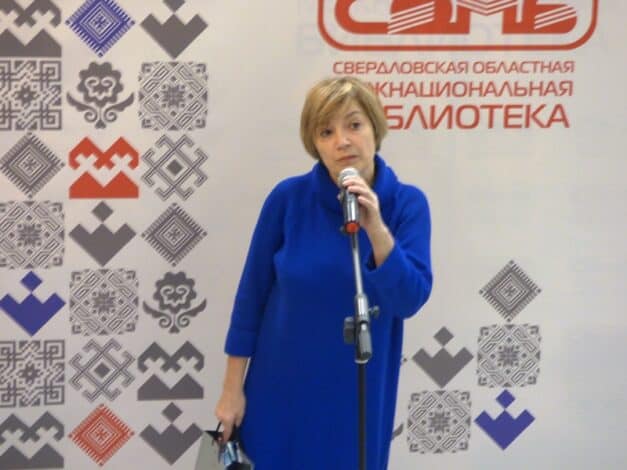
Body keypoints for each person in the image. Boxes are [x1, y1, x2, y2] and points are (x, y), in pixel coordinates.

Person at [214, 76, 432, 469]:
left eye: (354, 125)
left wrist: (376, 229)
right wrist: (232, 391)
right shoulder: (288, 199)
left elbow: (409, 299)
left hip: (357, 395)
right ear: (314, 143)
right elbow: (251, 298)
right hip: (278, 391)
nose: (341, 141)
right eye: (326, 132)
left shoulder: (406, 204)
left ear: (375, 128)